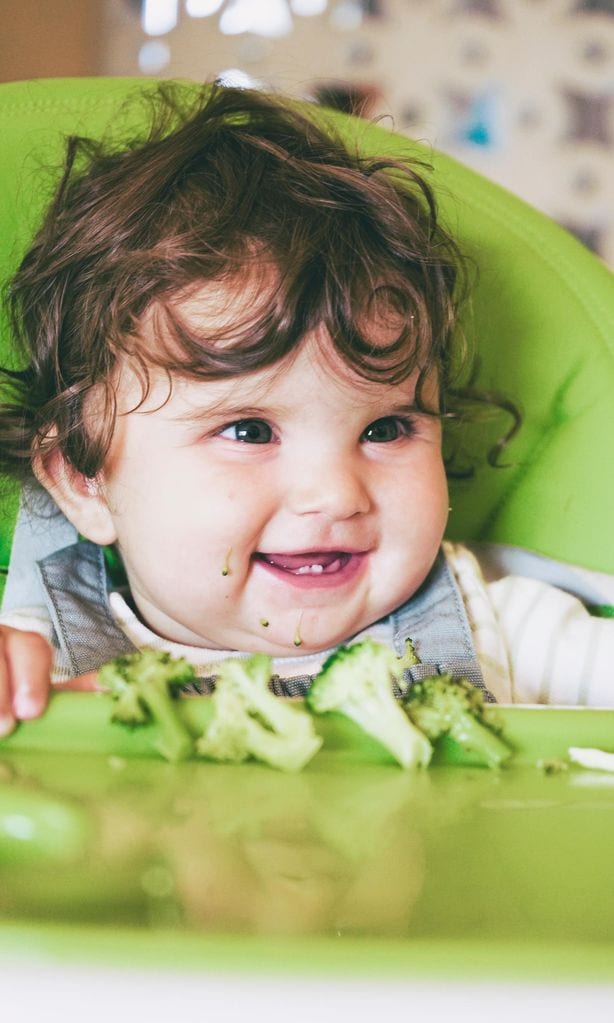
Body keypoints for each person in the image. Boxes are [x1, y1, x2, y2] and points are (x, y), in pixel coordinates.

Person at [0, 83, 613, 740]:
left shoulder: (505, 630)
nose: (335, 494)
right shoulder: (34, 659)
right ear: (81, 478)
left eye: (385, 428)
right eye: (249, 430)